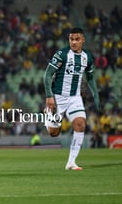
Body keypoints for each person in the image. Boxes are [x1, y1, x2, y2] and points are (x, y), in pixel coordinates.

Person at [43, 27, 100, 171]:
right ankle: (47, 115)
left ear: (83, 40)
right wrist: (49, 96)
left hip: (75, 97)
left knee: (80, 124)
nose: (74, 42)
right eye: (71, 39)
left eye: (77, 39)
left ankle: (71, 162)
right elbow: (47, 75)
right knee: (54, 133)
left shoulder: (87, 56)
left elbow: (91, 76)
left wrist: (95, 94)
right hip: (58, 98)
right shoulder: (62, 54)